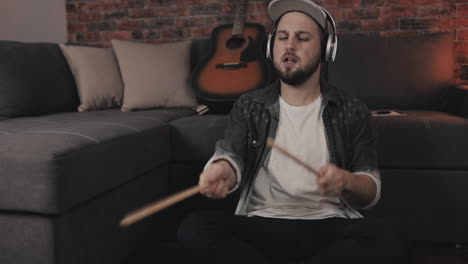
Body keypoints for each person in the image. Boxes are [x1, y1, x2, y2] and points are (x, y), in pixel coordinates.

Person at [177, 0, 409, 263]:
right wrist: (222, 170)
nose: (289, 45)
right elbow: (232, 154)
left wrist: (347, 181)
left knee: (389, 238)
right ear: (270, 46)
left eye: (302, 38)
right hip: (262, 222)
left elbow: (369, 191)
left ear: (326, 50)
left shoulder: (351, 109)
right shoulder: (249, 105)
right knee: (195, 228)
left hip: (328, 225)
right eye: (283, 37)